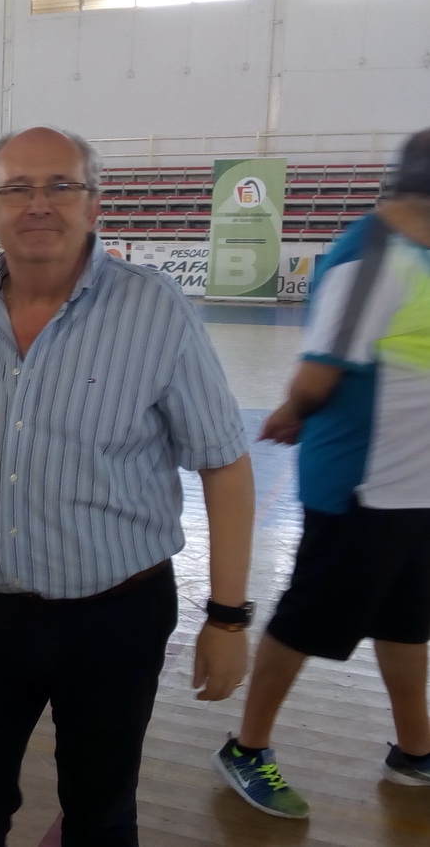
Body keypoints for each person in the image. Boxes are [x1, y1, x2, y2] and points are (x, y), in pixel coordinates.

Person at [0, 127, 255, 846]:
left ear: (93, 206)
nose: (38, 204)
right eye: (15, 188)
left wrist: (228, 617)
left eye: (60, 185)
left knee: (101, 815)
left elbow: (225, 465)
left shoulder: (156, 313)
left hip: (117, 621)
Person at [214, 128, 430, 818]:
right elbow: (317, 374)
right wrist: (292, 411)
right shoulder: (370, 256)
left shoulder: (417, 254)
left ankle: (415, 750)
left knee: (407, 622)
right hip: (359, 487)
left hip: (415, 488)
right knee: (305, 620)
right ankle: (247, 747)